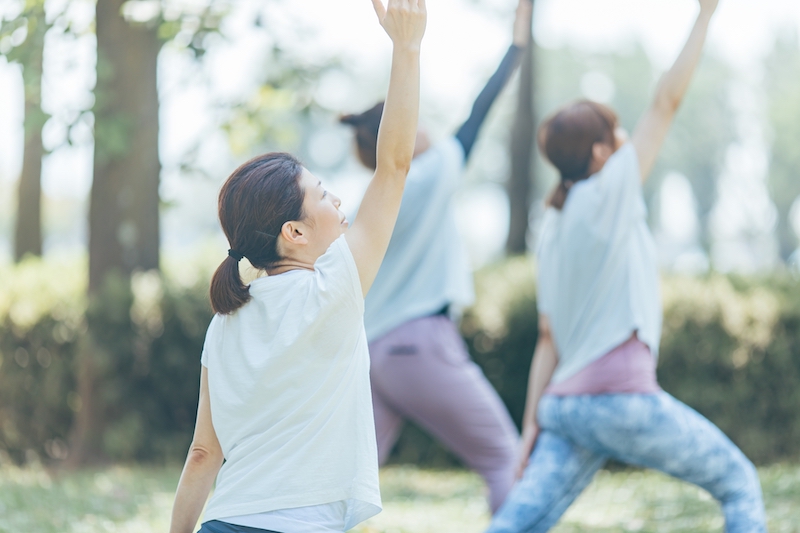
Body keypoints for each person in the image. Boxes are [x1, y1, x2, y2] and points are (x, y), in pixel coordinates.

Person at [485, 1, 767, 532]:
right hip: (618, 402)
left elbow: (549, 338)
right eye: (616, 135)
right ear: (598, 153)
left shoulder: (555, 226)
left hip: (565, 410)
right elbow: (665, 102)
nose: (624, 143)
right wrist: (705, 15)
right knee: (739, 482)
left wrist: (531, 428)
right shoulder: (607, 189)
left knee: (515, 525)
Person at [168, 2, 426, 532]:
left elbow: (202, 453)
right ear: (295, 232)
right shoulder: (333, 289)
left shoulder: (225, 322)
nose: (341, 206)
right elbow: (394, 165)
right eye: (324, 195)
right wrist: (408, 48)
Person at [339, 0, 533, 514]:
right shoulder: (424, 176)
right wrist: (516, 45)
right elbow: (478, 115)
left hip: (375, 355)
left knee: (347, 487)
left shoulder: (367, 205)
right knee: (503, 457)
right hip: (419, 344)